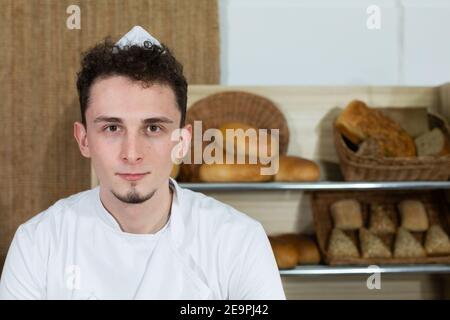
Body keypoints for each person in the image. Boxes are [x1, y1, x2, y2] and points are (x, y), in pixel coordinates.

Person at [0, 26, 285, 300]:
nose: (132, 153)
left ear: (182, 142)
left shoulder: (238, 241)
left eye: (153, 128)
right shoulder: (38, 243)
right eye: (112, 128)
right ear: (84, 139)